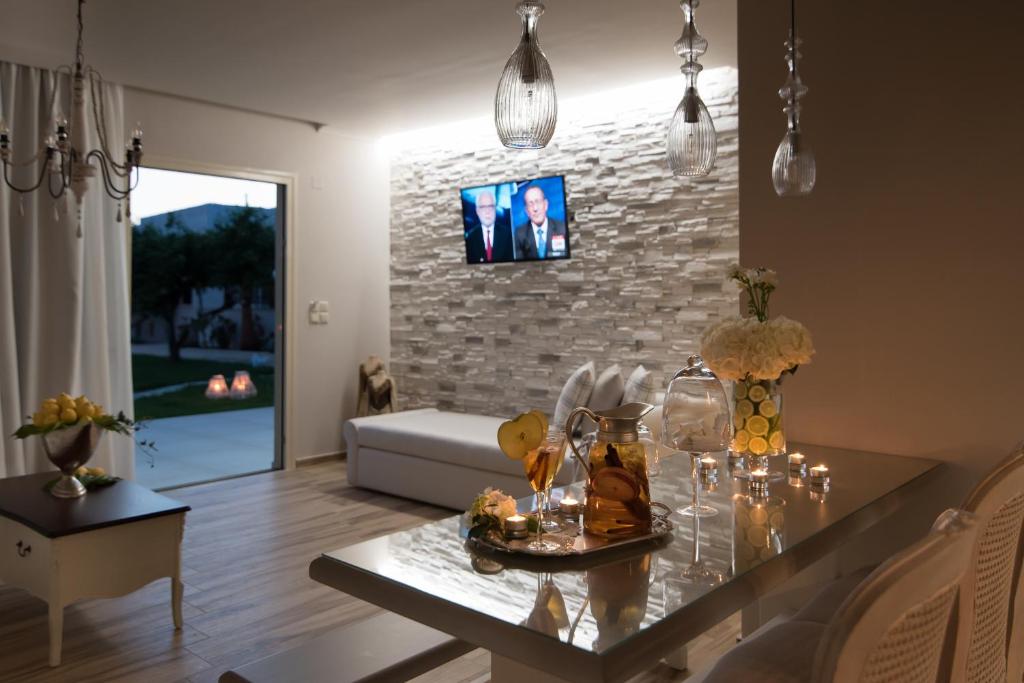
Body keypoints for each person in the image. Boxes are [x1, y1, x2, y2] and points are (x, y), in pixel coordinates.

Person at [513, 185, 568, 260]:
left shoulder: (562, 228)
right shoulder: (519, 234)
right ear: (526, 211)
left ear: (546, 205)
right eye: (530, 204)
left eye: (538, 202)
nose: (535, 208)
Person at [465, 190, 513, 263]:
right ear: (477, 211)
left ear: (495, 209)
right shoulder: (470, 238)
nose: (487, 211)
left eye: (490, 206)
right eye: (483, 207)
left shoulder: (508, 234)